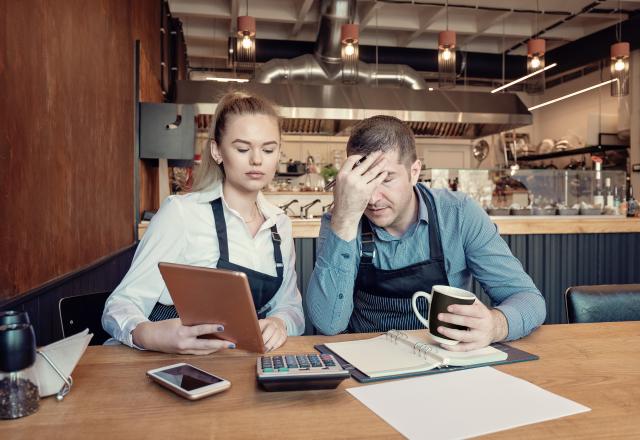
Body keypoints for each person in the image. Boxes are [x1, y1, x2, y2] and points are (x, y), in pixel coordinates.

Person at [306, 116, 546, 352]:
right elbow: (328, 323)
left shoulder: (458, 214)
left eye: (387, 179)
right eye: (364, 182)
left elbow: (528, 299)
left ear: (414, 171)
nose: (372, 198)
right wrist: (345, 220)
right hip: (366, 360)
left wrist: (496, 325)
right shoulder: (342, 219)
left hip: (444, 358)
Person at [102, 91, 305, 354]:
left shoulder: (279, 225)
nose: (257, 159)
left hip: (240, 364)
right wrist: (151, 335)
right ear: (217, 151)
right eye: (242, 148)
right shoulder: (182, 214)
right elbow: (120, 304)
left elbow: (290, 307)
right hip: (172, 365)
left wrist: (280, 322)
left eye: (268, 149)